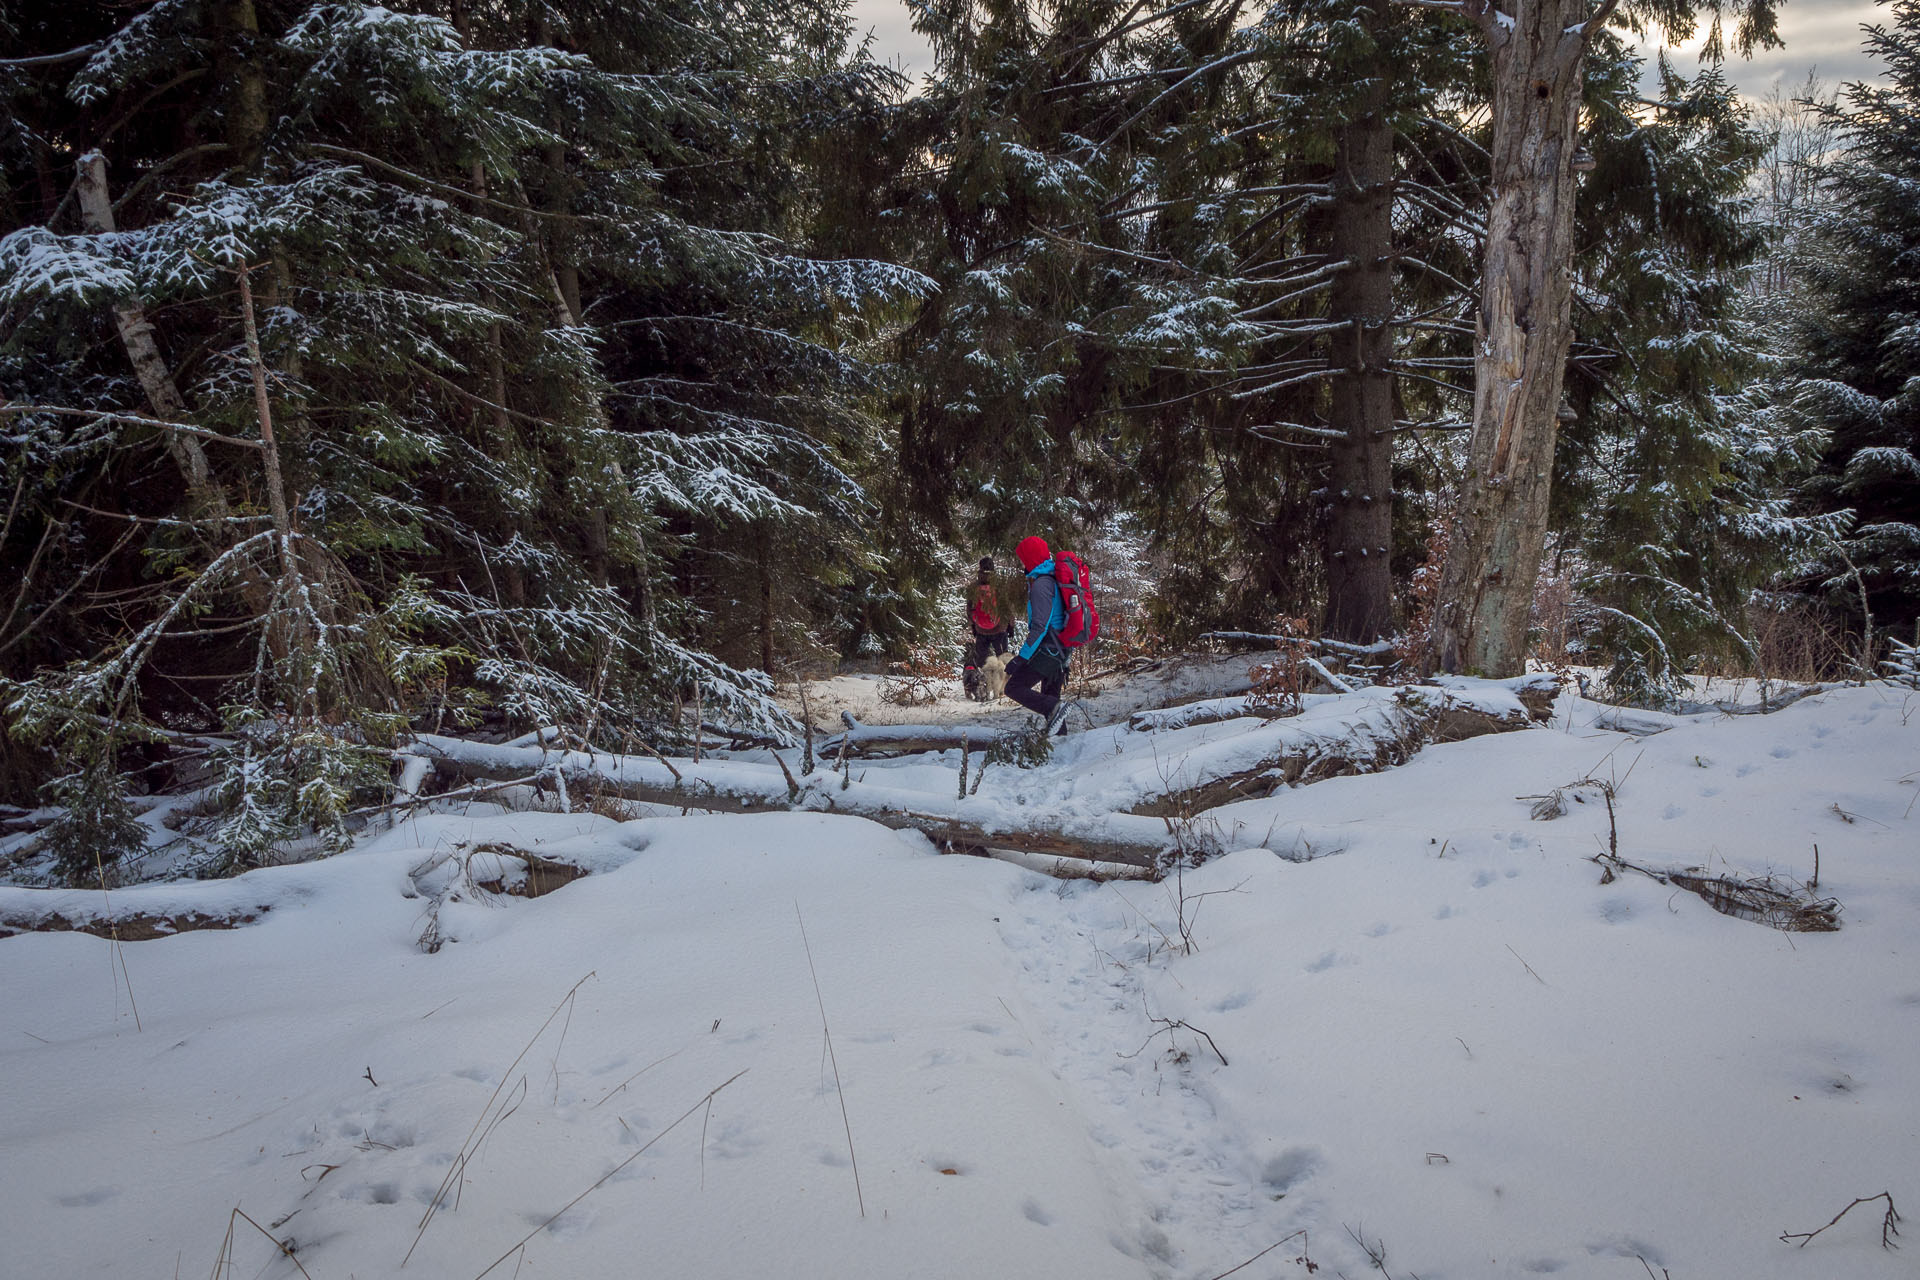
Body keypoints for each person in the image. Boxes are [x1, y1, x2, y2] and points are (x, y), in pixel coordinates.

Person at [1003, 536, 1072, 735]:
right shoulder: (1052, 578)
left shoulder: (1041, 585)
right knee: (1050, 697)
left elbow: (1040, 627)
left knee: (1014, 688)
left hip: (1049, 649)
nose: (1022, 564)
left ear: (1029, 558)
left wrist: (1021, 658)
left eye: (1023, 559)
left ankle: (1054, 710)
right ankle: (1061, 742)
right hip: (1061, 649)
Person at [961, 557, 1009, 700]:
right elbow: (1006, 608)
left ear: (980, 568)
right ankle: (1001, 691)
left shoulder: (973, 587)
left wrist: (974, 626)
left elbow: (970, 609)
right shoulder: (1000, 586)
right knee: (1002, 660)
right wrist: (1009, 625)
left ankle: (983, 689)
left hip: (981, 630)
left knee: (982, 662)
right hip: (999, 629)